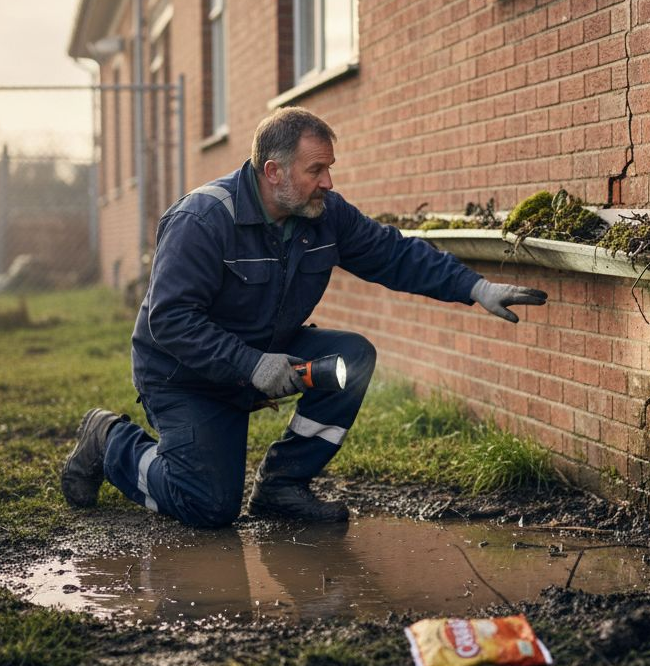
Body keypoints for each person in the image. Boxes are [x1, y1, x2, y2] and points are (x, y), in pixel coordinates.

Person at [60, 107, 547, 528]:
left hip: (263, 362)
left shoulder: (323, 213)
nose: (329, 183)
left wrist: (475, 287)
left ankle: (282, 485)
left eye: (329, 169)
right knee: (207, 506)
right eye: (317, 170)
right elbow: (170, 321)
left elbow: (392, 254)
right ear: (274, 172)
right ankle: (110, 440)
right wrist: (250, 365)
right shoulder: (203, 220)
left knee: (350, 357)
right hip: (185, 376)